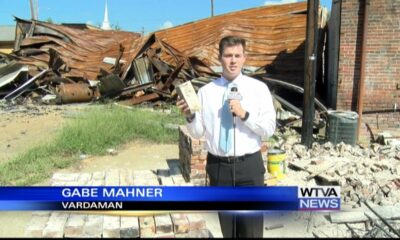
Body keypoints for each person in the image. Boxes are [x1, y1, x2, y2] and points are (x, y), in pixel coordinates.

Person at [177, 35, 276, 238]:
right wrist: (189, 115)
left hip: (249, 168)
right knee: (227, 230)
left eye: (237, 56)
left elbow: (269, 129)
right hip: (219, 168)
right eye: (228, 55)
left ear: (244, 58)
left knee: (251, 231)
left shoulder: (258, 89)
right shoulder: (206, 92)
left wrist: (244, 115)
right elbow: (197, 132)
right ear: (220, 58)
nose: (233, 61)